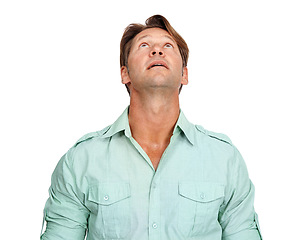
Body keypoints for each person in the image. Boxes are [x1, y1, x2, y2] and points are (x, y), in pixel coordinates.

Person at [40, 15, 262, 240]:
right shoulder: (81, 160)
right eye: (144, 45)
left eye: (167, 46)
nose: (157, 51)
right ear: (124, 73)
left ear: (184, 74)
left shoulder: (224, 159)